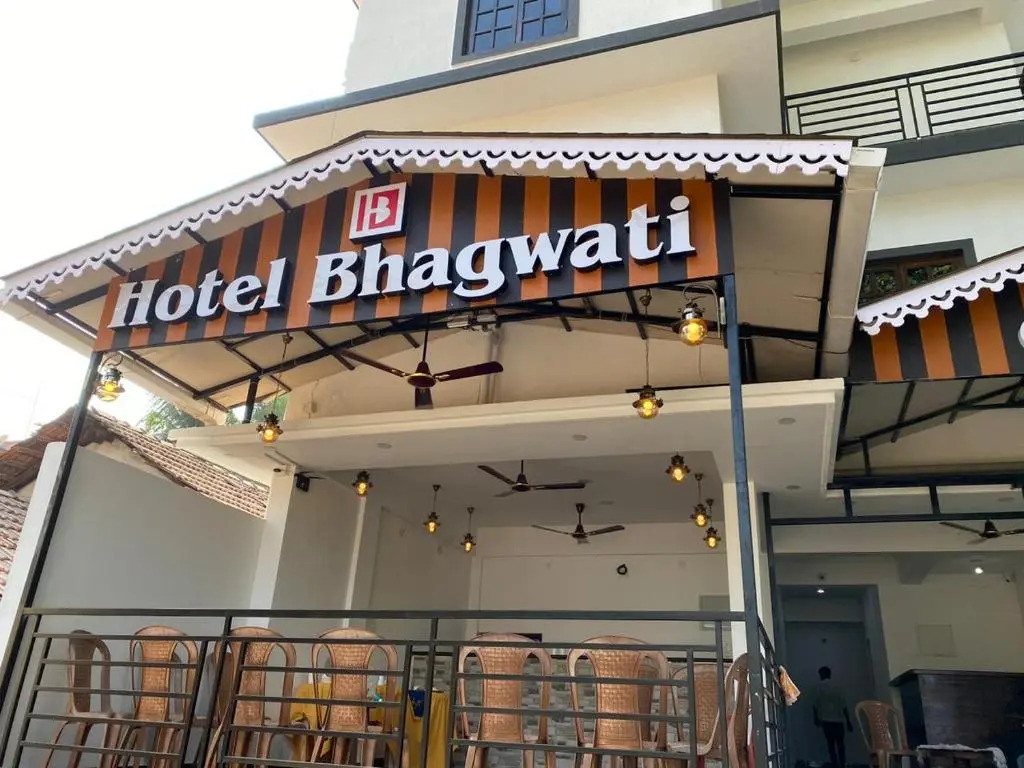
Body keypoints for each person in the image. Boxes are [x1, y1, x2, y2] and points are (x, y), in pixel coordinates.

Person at [812, 666, 853, 768]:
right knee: (840, 744)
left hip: (826, 720)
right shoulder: (837, 687)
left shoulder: (819, 688)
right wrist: (848, 721)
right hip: (839, 720)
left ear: (822, 674)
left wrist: (816, 718)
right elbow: (843, 705)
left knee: (831, 745)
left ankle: (834, 764)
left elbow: (815, 705)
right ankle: (842, 764)